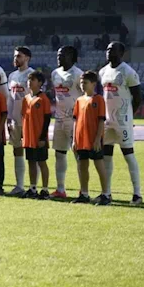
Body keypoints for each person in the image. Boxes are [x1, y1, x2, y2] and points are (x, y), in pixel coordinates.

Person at [99, 42, 143, 205]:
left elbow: (138, 96)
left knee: (129, 155)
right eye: (107, 49)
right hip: (107, 121)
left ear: (122, 52)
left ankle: (137, 194)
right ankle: (107, 193)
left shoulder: (128, 71)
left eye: (113, 49)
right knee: (106, 156)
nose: (109, 52)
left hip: (122, 121)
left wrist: (129, 116)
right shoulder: (103, 71)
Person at [71, 71, 110, 205]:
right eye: (81, 83)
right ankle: (84, 193)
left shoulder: (98, 99)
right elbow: (76, 121)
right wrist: (74, 139)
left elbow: (101, 121)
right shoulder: (79, 100)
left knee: (99, 165)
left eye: (85, 83)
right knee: (82, 165)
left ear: (93, 84)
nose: (82, 85)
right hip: (81, 139)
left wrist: (98, 138)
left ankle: (106, 194)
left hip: (93, 139)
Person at [50, 46, 83, 198]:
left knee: (78, 154)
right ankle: (60, 189)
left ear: (71, 55)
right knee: (59, 153)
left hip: (74, 119)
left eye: (62, 54)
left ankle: (84, 189)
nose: (58, 57)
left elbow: (85, 96)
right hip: (59, 119)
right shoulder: (54, 73)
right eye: (58, 54)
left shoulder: (78, 74)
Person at [7, 46, 35, 197]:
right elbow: (10, 99)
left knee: (31, 152)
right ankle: (19, 185)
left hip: (28, 120)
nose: (16, 58)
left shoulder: (32, 74)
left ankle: (33, 186)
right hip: (14, 119)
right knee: (17, 150)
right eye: (15, 56)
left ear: (27, 58)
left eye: (19, 56)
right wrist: (9, 118)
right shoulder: (12, 76)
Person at [22, 72, 52, 200]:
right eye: (29, 80)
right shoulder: (26, 98)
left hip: (39, 137)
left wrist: (42, 137)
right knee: (31, 162)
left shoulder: (43, 99)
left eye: (32, 80)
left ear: (40, 83)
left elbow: (47, 119)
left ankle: (45, 189)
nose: (30, 82)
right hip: (29, 137)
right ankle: (32, 188)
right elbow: (24, 116)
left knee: (42, 162)